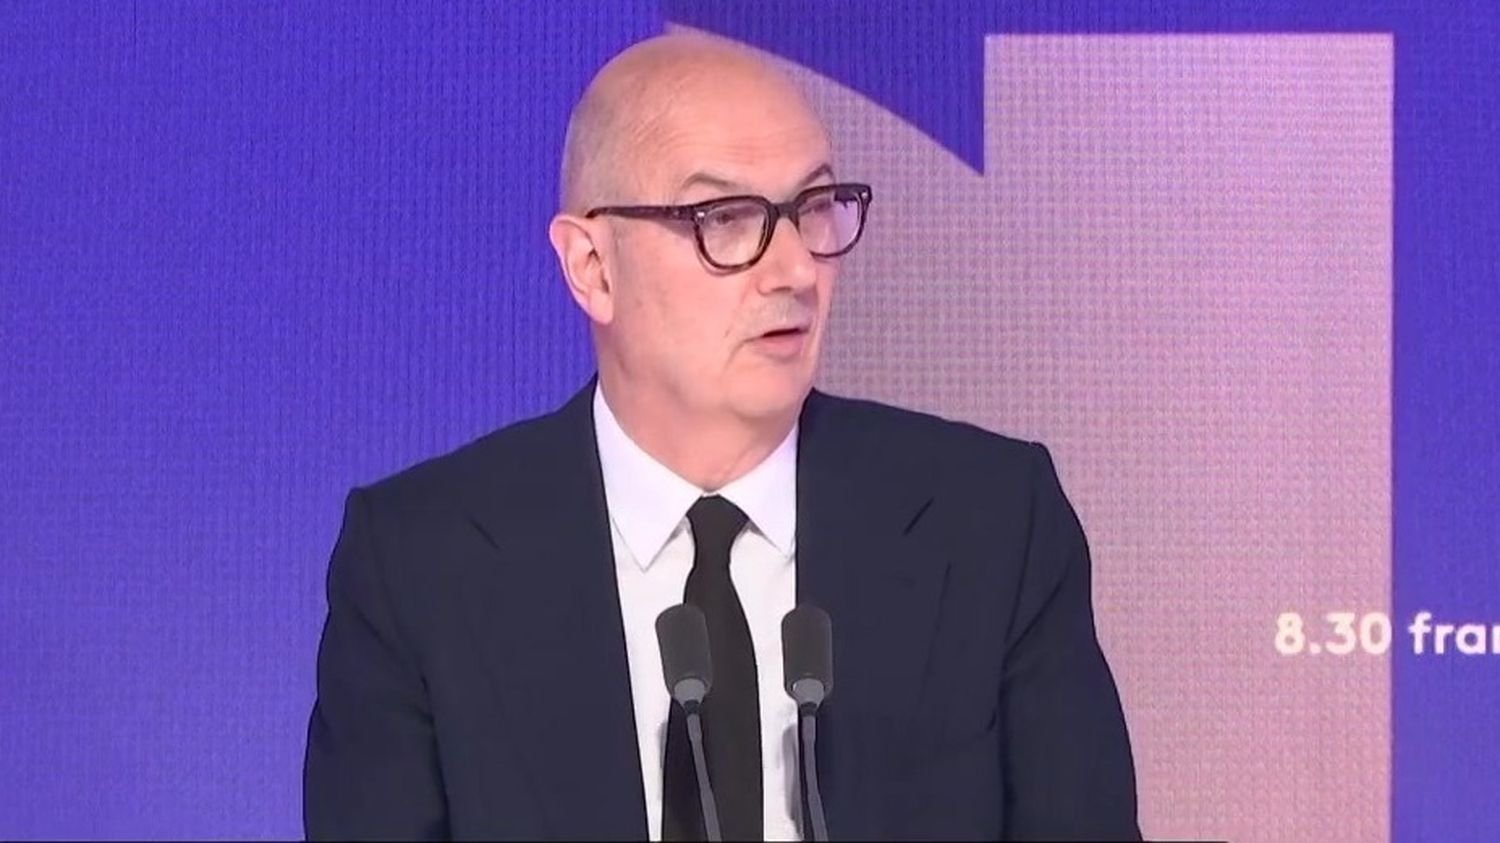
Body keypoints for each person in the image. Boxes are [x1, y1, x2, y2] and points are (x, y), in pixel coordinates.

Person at [303, 32, 1139, 842]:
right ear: (592, 266)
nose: (796, 269)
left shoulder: (990, 522)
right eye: (726, 219)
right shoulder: (419, 562)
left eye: (815, 208)